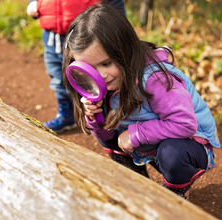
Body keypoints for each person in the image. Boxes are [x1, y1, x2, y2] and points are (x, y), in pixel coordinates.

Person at [62, 3, 220, 199]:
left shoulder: (155, 79)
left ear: (125, 50)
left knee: (172, 154)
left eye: (106, 63)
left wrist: (135, 134)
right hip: (149, 145)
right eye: (90, 69)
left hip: (189, 145)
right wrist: (95, 117)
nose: (100, 75)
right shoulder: (106, 84)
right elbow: (106, 133)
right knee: (106, 130)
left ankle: (177, 192)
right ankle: (136, 182)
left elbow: (184, 124)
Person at [26, 0, 126, 134]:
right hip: (51, 35)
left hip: (87, 37)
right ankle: (67, 114)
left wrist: (118, 24)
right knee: (57, 75)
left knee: (96, 76)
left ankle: (110, 117)